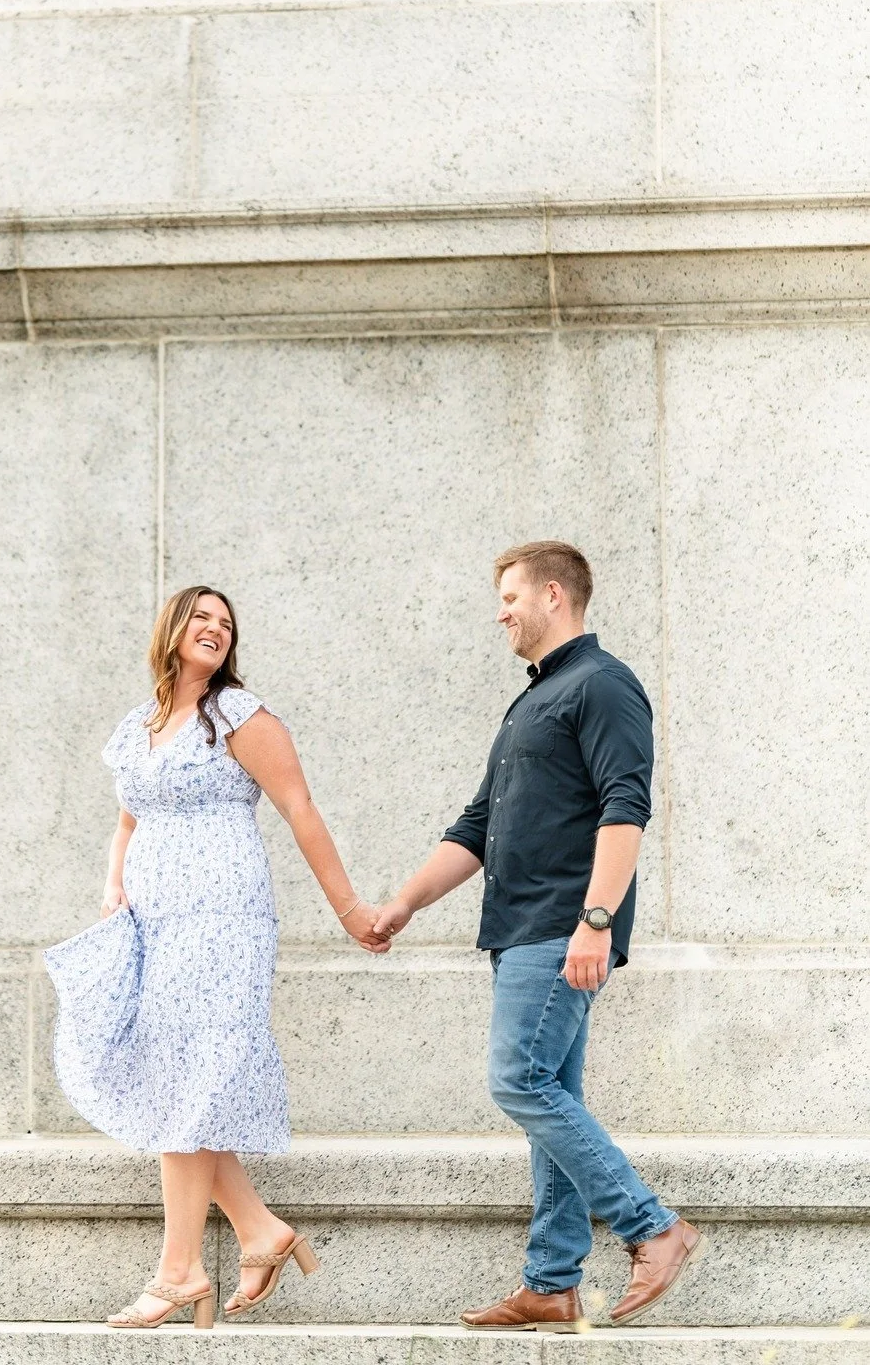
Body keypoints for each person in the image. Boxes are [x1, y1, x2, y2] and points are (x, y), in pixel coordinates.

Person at [368, 541, 704, 1328]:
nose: (500, 611)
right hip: (519, 928)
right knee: (551, 1094)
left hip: (561, 924)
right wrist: (404, 903)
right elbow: (478, 824)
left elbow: (626, 805)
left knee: (518, 1080)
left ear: (553, 594)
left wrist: (595, 920)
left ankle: (653, 1225)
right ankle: (551, 1280)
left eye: (510, 595)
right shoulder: (533, 700)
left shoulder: (603, 683)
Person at [45, 584, 382, 1330]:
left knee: (184, 1077)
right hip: (153, 922)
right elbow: (128, 817)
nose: (215, 629)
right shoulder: (139, 725)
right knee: (176, 1078)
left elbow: (300, 809)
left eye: (225, 623)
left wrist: (350, 908)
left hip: (222, 915)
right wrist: (112, 886)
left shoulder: (239, 714)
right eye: (201, 617)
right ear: (170, 629)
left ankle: (179, 1268)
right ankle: (259, 1229)